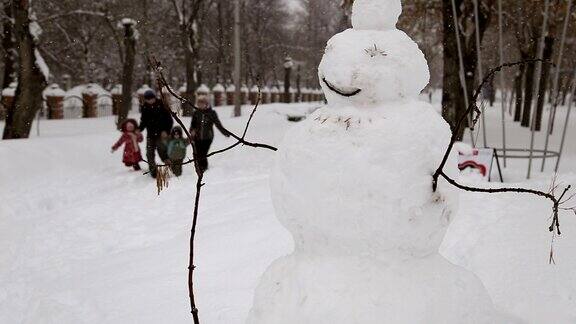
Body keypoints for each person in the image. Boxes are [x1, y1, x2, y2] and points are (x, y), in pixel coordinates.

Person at [139, 89, 173, 178]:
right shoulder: (144, 107)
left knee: (162, 152)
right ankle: (154, 172)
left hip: (161, 134)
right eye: (148, 99)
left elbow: (169, 120)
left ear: (154, 97)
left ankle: (171, 166)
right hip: (150, 135)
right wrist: (139, 129)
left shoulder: (162, 105)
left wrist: (166, 131)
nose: (150, 101)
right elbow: (143, 121)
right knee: (149, 153)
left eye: (151, 98)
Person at [189, 97, 230, 172]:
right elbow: (193, 124)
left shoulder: (211, 113)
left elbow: (218, 124)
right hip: (197, 137)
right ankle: (199, 169)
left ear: (206, 104)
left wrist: (225, 133)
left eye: (202, 104)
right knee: (197, 153)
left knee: (203, 153)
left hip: (208, 137)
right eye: (199, 104)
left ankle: (204, 169)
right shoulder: (196, 113)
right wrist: (192, 131)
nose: (200, 105)